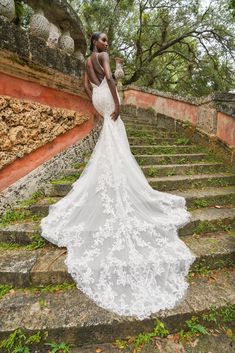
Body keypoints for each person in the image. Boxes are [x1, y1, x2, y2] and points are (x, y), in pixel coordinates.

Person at [40, 32, 196, 320]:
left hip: (97, 98)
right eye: (104, 40)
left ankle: (112, 176)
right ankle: (118, 178)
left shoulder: (87, 61)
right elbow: (111, 79)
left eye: (107, 42)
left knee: (109, 140)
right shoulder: (103, 58)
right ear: (96, 43)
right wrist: (117, 103)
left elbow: (86, 85)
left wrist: (97, 102)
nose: (107, 44)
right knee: (116, 134)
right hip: (108, 96)